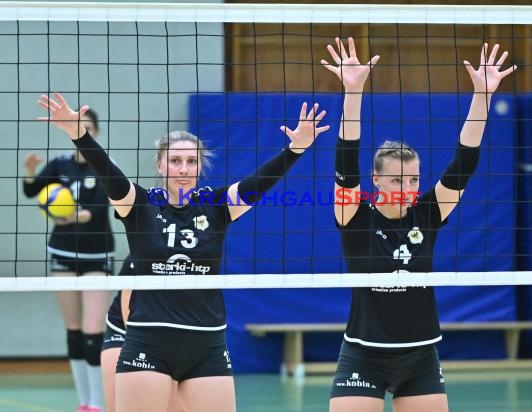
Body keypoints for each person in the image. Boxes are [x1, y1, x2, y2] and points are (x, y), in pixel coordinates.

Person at [38, 92, 329, 412]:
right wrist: (79, 134)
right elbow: (107, 171)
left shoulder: (218, 207)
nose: (183, 169)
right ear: (160, 164)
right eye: (175, 160)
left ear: (201, 166)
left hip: (206, 344)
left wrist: (296, 149)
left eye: (191, 161)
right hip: (148, 341)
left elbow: (259, 183)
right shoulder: (139, 204)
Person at [321, 37, 516, 412]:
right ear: (376, 181)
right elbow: (345, 164)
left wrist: (483, 96)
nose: (408, 188)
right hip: (364, 355)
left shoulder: (427, 214)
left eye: (413, 179)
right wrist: (353, 91)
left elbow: (464, 164)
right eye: (397, 180)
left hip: (421, 356)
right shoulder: (354, 217)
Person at [23, 109, 113, 412]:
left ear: (95, 133)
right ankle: (84, 402)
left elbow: (99, 211)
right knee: (73, 330)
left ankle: (99, 404)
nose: (81, 133)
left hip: (96, 256)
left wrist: (68, 215)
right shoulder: (60, 163)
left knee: (92, 330)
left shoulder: (104, 166)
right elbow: (31, 191)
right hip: (63, 253)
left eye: (86, 128)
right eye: (76, 127)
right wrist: (30, 170)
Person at [101, 257, 185, 412]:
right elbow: (129, 317)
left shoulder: (195, 258)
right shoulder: (140, 254)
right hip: (124, 330)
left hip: (172, 331)